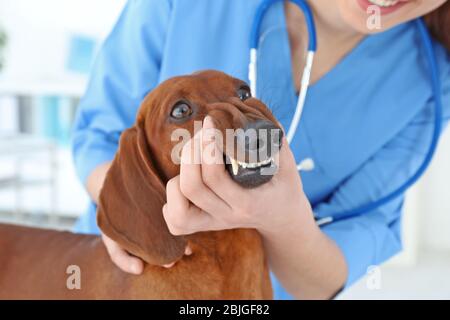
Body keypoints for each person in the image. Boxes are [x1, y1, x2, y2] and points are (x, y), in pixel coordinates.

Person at [72, 0, 450, 299]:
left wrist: (283, 220)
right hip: (122, 271)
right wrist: (136, 221)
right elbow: (99, 135)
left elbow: (330, 274)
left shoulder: (430, 81)